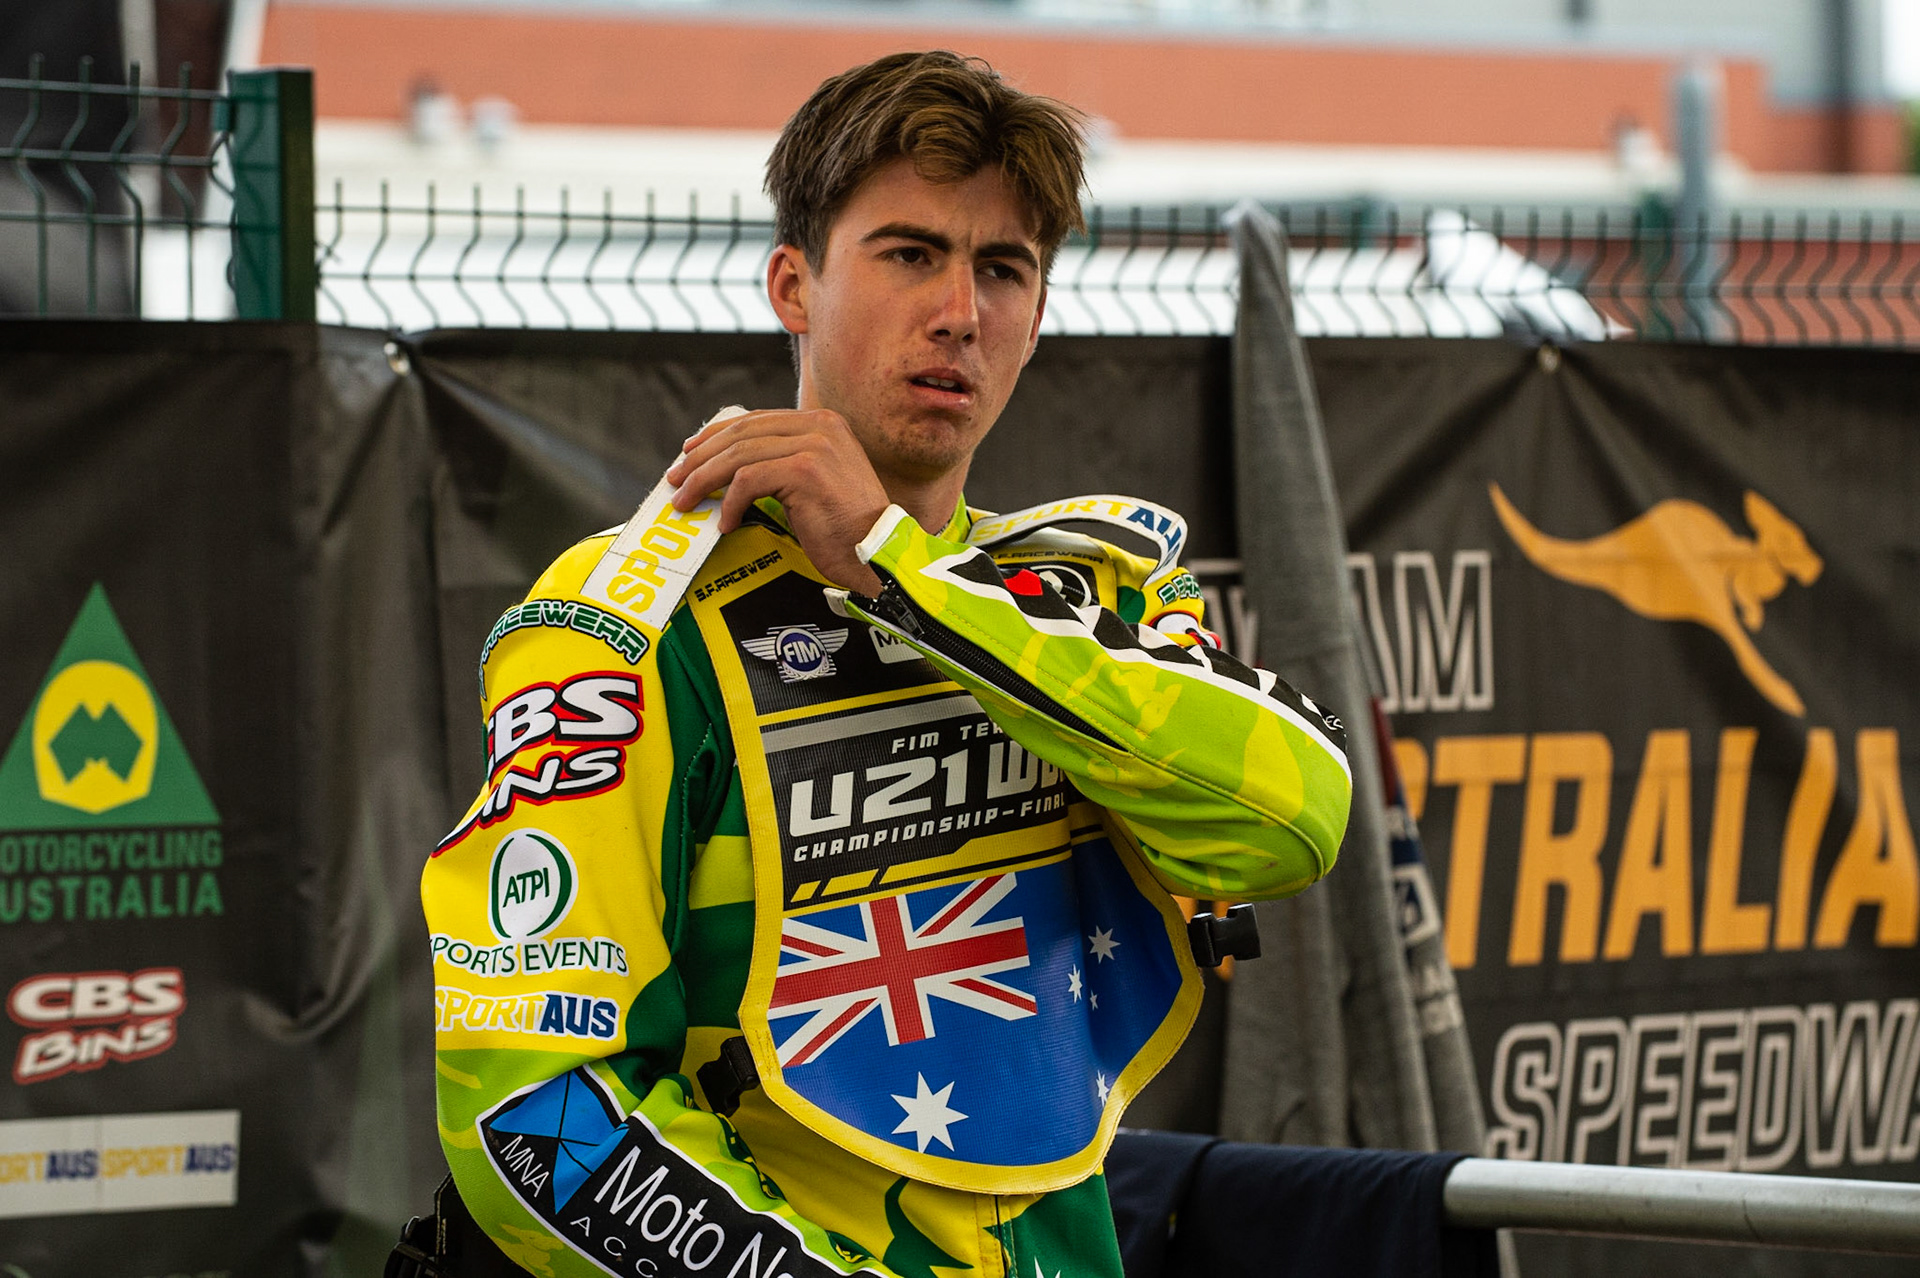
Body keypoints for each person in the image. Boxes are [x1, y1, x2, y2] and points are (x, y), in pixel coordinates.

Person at [417, 50, 1351, 1278]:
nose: (961, 309)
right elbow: (531, 1106)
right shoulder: (626, 622)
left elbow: (1294, 818)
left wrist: (898, 574)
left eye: (1003, 268)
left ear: (1036, 315)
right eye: (911, 254)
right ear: (793, 286)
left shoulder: (1089, 585)